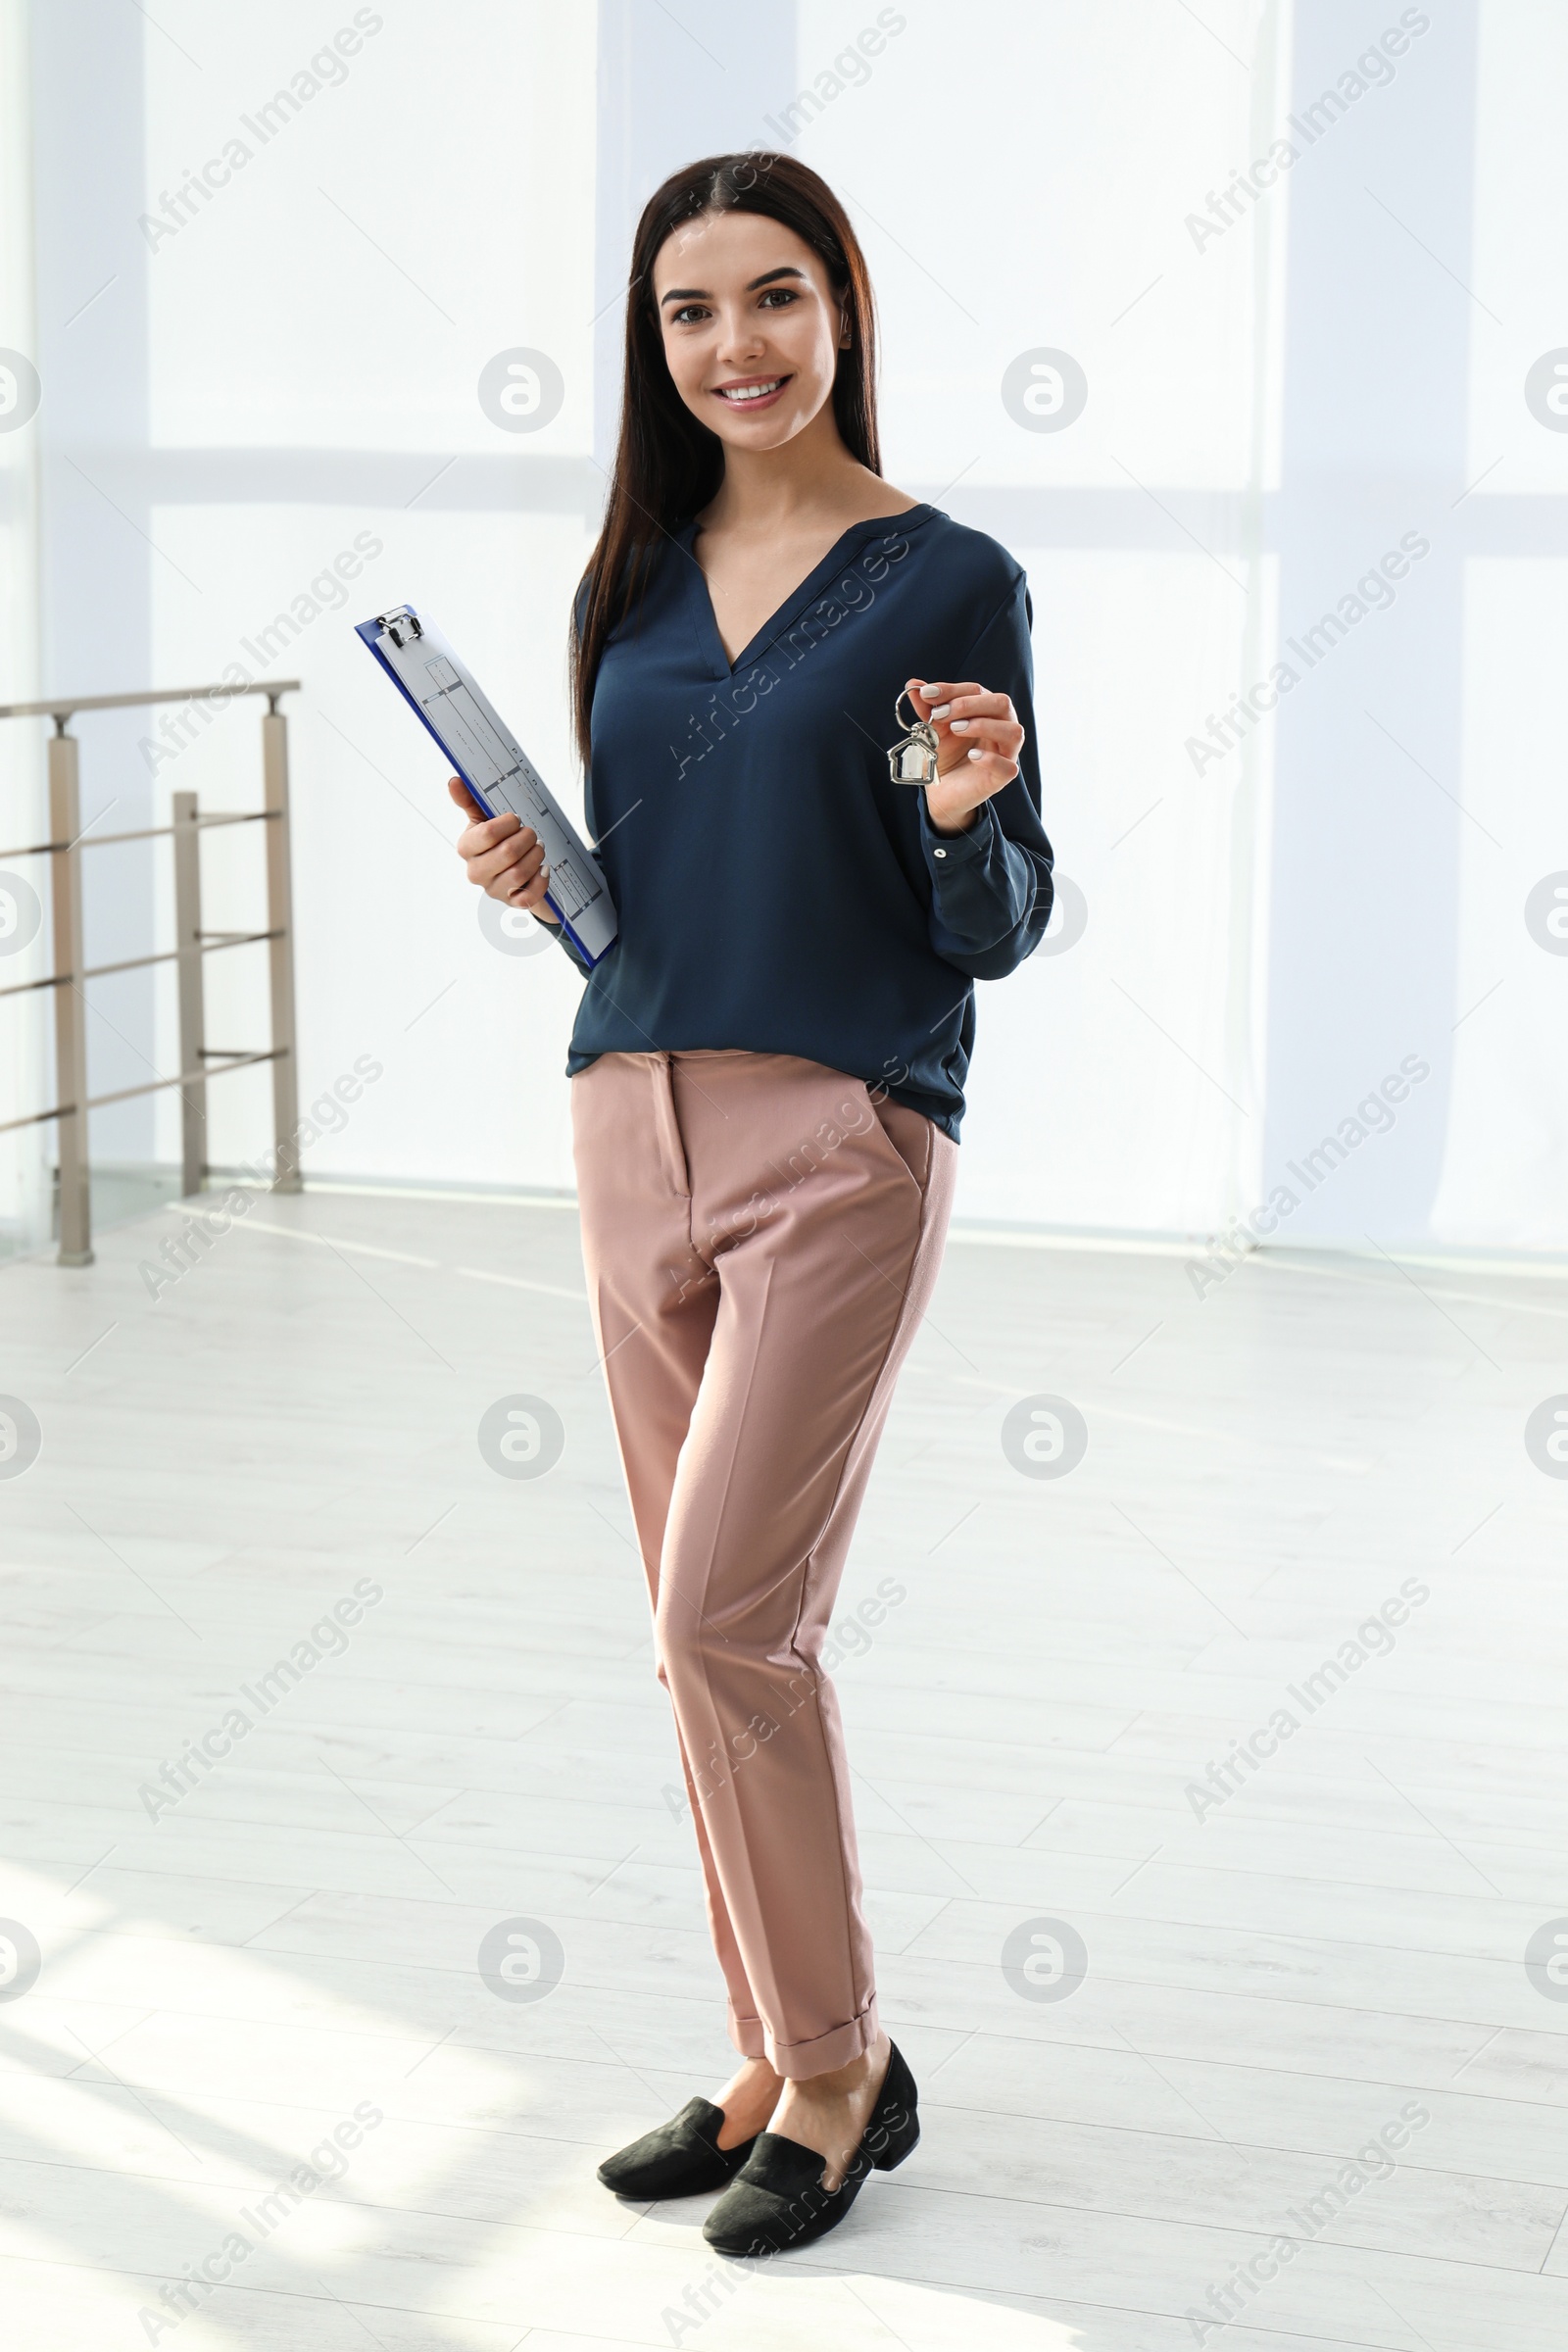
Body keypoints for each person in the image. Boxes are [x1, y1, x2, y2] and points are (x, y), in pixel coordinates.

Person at [450, 150, 1053, 2256]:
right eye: (693, 314)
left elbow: (995, 919)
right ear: (655, 347)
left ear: (842, 309)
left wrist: (968, 815)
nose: (737, 348)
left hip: (842, 1133)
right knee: (690, 1642)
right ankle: (772, 2040)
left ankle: (835, 2062)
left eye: (774, 298)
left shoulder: (942, 577)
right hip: (628, 1115)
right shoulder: (626, 580)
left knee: (734, 1619)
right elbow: (659, 892)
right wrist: (546, 891)